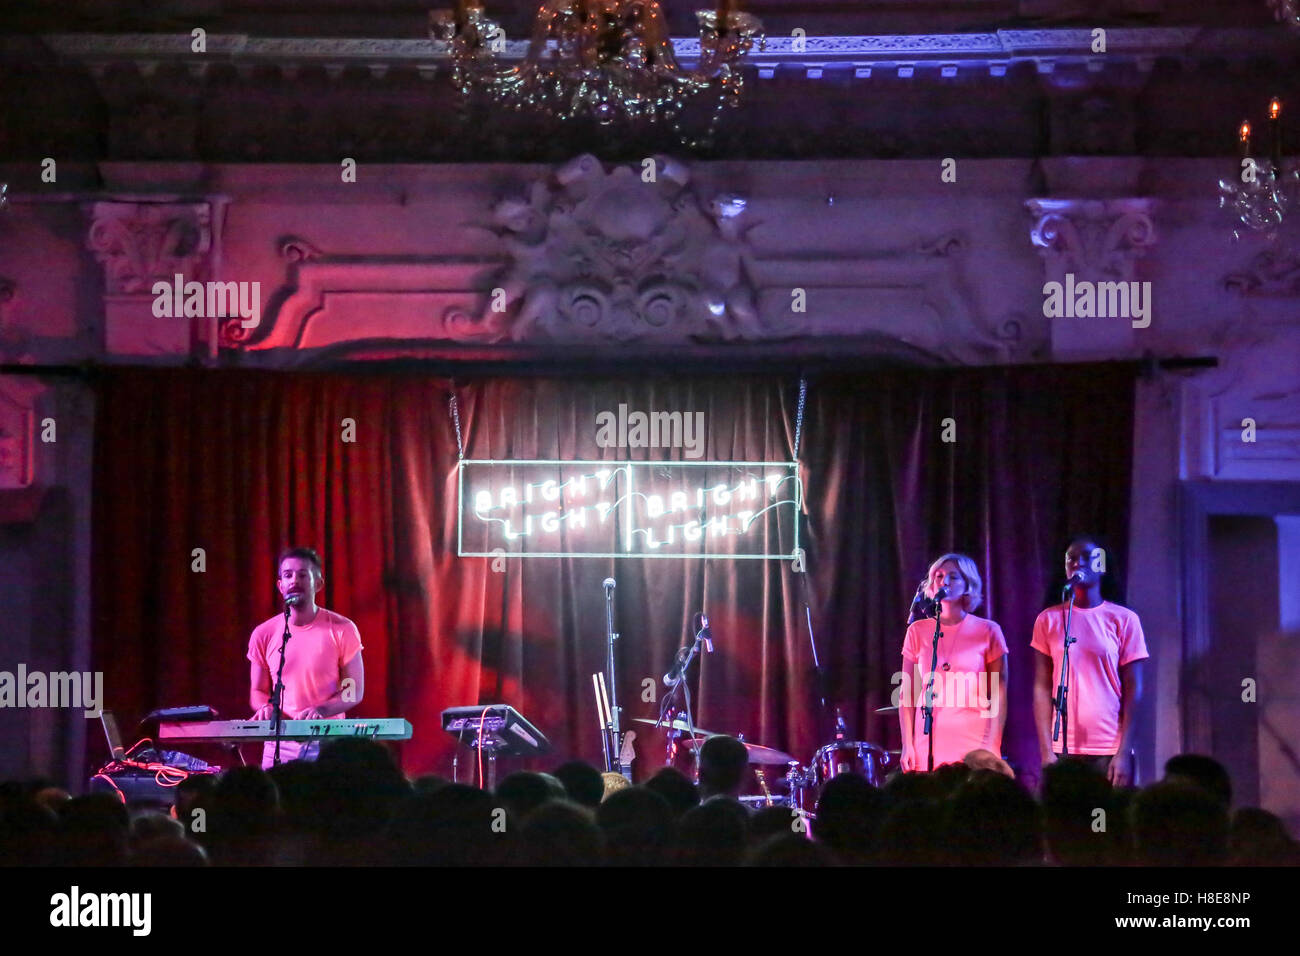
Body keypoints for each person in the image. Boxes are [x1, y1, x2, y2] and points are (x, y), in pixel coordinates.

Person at [1032, 536, 1147, 786]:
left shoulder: (1124, 619)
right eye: (1071, 558)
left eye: (1086, 557)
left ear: (1102, 565)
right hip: (1062, 747)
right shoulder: (1048, 619)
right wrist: (1046, 751)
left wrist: (1124, 751)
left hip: (1108, 748)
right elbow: (1041, 686)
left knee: (1108, 821)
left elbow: (1134, 688)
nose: (1077, 563)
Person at [247, 547, 365, 769]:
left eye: (303, 575)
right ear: (280, 585)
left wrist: (320, 710)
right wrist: (266, 708)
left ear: (318, 583)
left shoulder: (342, 628)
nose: (294, 581)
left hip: (328, 740)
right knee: (278, 801)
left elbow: (354, 690)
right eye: (288, 575)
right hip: (278, 739)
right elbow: (257, 691)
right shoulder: (264, 633)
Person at [899, 553, 1008, 772]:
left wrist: (993, 744)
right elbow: (908, 693)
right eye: (938, 576)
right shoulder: (917, 631)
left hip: (974, 739)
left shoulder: (988, 630)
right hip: (928, 740)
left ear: (968, 583)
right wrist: (907, 745)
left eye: (953, 576)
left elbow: (999, 692)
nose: (944, 581)